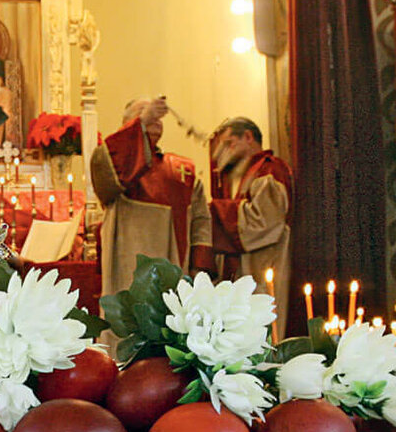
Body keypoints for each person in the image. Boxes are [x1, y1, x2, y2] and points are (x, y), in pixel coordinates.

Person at [90, 96, 214, 300]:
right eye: (142, 113)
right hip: (128, 271)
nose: (152, 117)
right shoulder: (116, 166)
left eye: (155, 114)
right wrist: (142, 123)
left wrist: (199, 267)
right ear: (127, 127)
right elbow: (106, 179)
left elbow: (201, 222)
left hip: (175, 269)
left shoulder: (183, 171)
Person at [208, 116, 293, 335]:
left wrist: (214, 211)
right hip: (244, 271)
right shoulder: (240, 176)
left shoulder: (269, 170)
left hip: (264, 268)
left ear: (248, 137)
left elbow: (264, 222)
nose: (226, 151)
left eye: (229, 143)